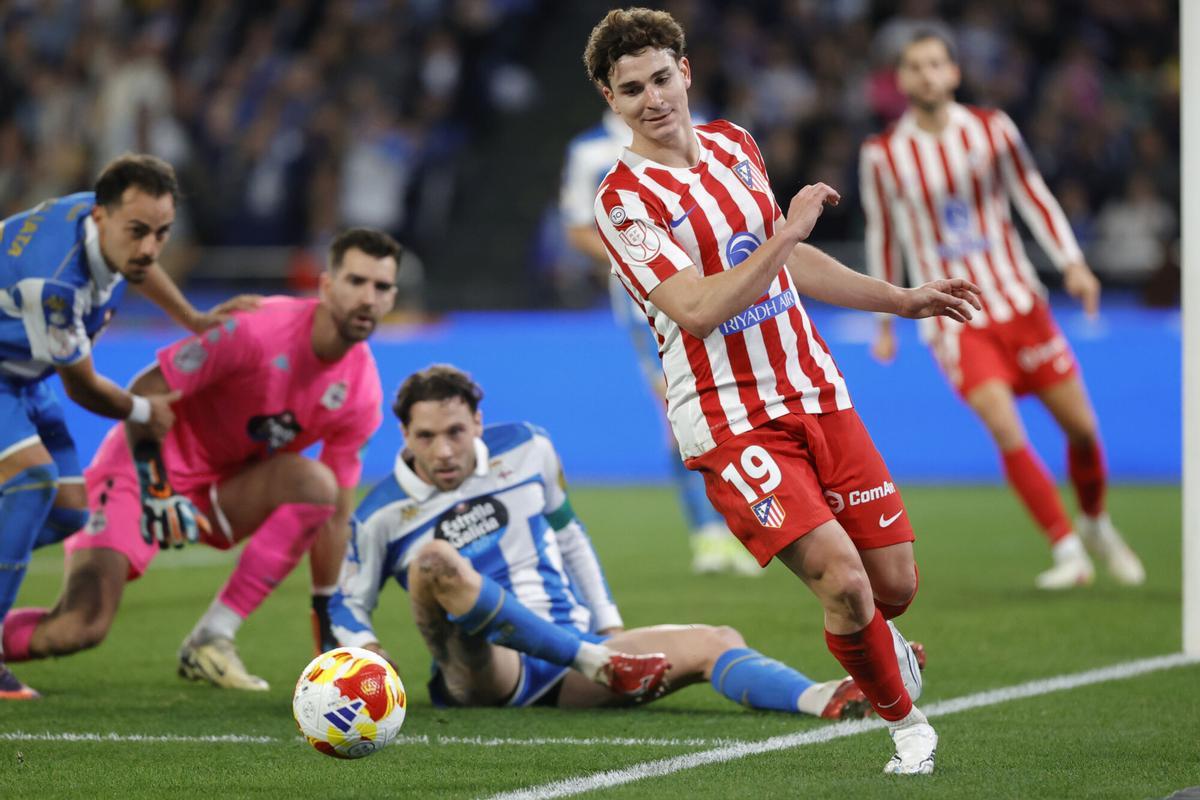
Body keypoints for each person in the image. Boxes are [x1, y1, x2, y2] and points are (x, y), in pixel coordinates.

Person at [583, 9, 983, 774]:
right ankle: (907, 729)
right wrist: (786, 233)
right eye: (632, 89)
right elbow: (697, 308)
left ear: (685, 71)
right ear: (611, 97)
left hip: (815, 391)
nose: (653, 98)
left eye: (662, 78)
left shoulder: (735, 145)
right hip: (730, 421)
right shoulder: (622, 201)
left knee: (892, 585)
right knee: (843, 581)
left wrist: (899, 298)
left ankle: (880, 639)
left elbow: (785, 266)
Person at [329, 364, 888, 717]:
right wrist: (366, 647)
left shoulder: (528, 449)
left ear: (478, 421)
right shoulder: (380, 513)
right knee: (435, 562)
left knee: (717, 638)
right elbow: (346, 602)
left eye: (455, 432)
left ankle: (822, 698)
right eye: (426, 437)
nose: (444, 451)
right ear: (404, 435)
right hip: (481, 670)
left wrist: (609, 627)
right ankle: (594, 659)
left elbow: (570, 538)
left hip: (577, 657)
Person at [1, 227, 399, 693]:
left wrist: (329, 618)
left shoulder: (363, 392)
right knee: (79, 626)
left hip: (218, 494)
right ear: (326, 285)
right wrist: (157, 487)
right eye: (356, 281)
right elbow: (144, 392)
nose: (368, 298)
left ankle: (212, 638)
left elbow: (336, 518)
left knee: (318, 488)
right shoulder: (257, 329)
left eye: (382, 287)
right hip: (140, 473)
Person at [859, 29, 1144, 590]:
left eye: (937, 63)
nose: (927, 74)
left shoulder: (992, 129)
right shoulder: (884, 153)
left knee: (1082, 431)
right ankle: (1066, 549)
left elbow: (1032, 193)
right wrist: (884, 318)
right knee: (1006, 430)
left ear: (954, 73)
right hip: (954, 318)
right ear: (902, 80)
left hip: (1018, 300)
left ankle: (1094, 524)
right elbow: (883, 236)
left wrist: (1073, 263)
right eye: (915, 66)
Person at [0, 153, 256, 699]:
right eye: (138, 232)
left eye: (162, 233)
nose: (149, 248)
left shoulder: (104, 223)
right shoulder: (56, 284)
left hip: (20, 373)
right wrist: (144, 411)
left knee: (70, 511)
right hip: (13, 372)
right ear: (100, 218)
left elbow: (139, 267)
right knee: (33, 481)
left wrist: (194, 319)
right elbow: (83, 388)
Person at [560, 109, 759, 577]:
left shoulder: (703, 131)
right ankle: (708, 533)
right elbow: (576, 229)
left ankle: (742, 526)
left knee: (736, 407)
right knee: (680, 412)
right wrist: (642, 254)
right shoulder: (589, 151)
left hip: (719, 293)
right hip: (645, 305)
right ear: (607, 88)